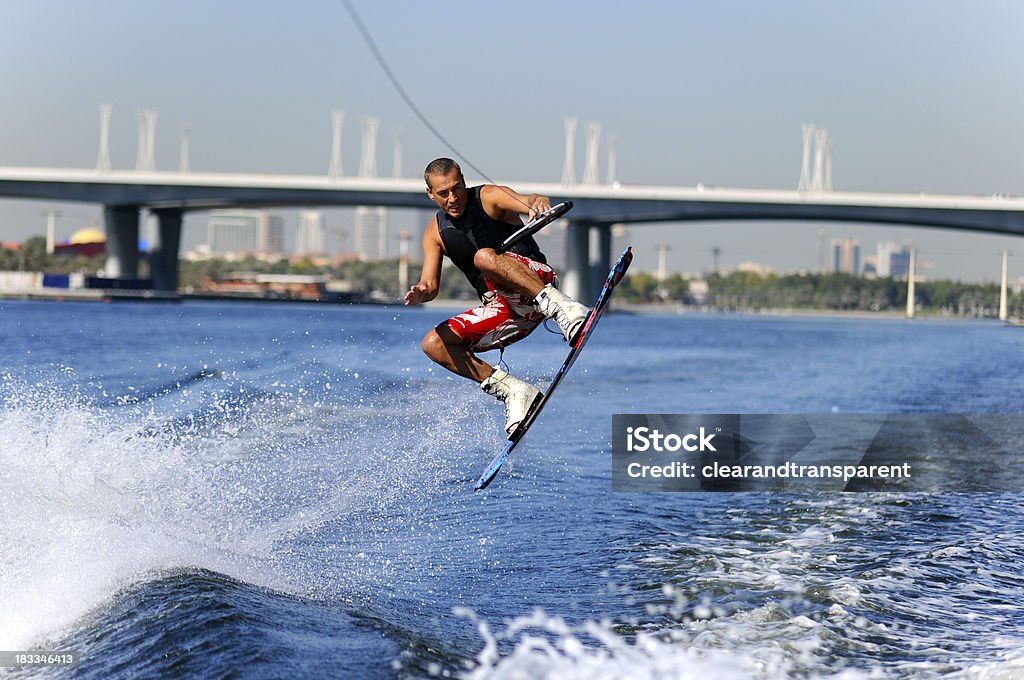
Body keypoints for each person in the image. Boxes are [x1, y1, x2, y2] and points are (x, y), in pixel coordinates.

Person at [404, 157, 590, 437]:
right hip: (505, 310)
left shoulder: (488, 197)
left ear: (464, 181)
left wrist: (537, 203)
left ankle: (566, 309)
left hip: (537, 282)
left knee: (484, 257)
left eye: (457, 188)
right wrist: (421, 293)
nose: (453, 198)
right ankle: (513, 391)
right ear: (431, 194)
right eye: (443, 193)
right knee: (434, 343)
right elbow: (430, 286)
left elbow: (529, 199)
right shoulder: (434, 233)